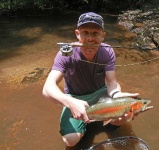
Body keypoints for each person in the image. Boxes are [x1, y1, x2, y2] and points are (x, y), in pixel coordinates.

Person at [42, 12, 139, 148]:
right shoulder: (66, 53)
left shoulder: (107, 51)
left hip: (100, 94)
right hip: (75, 97)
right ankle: (90, 121)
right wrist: (69, 102)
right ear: (77, 34)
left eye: (95, 33)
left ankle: (109, 125)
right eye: (85, 32)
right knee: (70, 140)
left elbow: (111, 82)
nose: (90, 38)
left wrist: (117, 95)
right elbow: (47, 88)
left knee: (122, 116)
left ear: (102, 36)